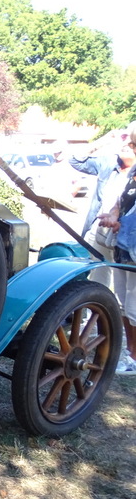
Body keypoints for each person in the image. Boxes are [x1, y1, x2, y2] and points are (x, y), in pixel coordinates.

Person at [69, 126, 136, 292]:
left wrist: (122, 224)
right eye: (124, 139)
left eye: (131, 142)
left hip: (128, 237)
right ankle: (95, 314)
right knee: (102, 283)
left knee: (131, 301)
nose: (126, 144)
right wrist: (104, 140)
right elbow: (75, 160)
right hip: (103, 231)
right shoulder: (110, 164)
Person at [96, 124, 136, 376]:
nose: (131, 148)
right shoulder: (133, 172)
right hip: (124, 247)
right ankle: (132, 354)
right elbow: (121, 203)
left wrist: (122, 223)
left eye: (133, 144)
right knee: (123, 303)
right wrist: (113, 215)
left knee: (135, 306)